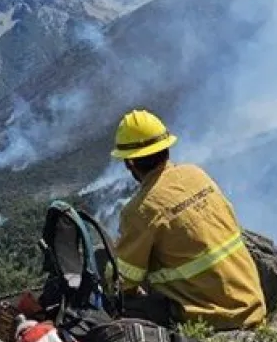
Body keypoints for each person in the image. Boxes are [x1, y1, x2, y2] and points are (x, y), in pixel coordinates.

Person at [110, 109, 266, 330]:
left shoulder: (140, 210)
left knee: (115, 307)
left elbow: (123, 281)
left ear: (130, 163)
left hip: (214, 320)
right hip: (253, 306)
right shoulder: (196, 174)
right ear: (167, 149)